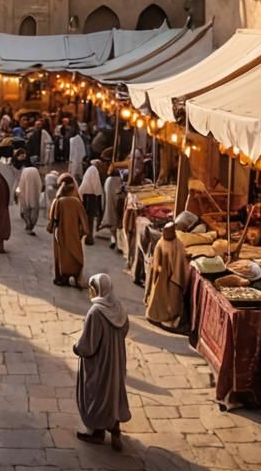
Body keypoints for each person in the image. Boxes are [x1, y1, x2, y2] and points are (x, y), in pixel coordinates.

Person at [73, 273, 131, 451]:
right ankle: (115, 431)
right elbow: (125, 329)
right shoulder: (119, 307)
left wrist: (77, 348)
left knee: (97, 394)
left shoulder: (96, 312)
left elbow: (88, 346)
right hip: (117, 360)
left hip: (99, 363)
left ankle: (97, 433)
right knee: (113, 391)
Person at [145, 222, 189, 328]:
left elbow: (181, 266)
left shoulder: (179, 245)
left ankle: (167, 319)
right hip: (163, 279)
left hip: (172, 280)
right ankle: (164, 318)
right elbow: (155, 265)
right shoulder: (162, 244)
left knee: (169, 301)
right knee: (161, 299)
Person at [48, 175, 89, 288]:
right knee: (76, 254)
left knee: (61, 255)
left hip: (60, 233)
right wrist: (84, 232)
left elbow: (53, 217)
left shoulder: (58, 201)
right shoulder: (77, 202)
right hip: (74, 234)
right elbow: (84, 220)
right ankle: (76, 277)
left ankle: (62, 278)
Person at [79, 159, 105, 247]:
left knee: (86, 216)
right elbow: (96, 185)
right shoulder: (94, 170)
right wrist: (100, 195)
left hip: (86, 193)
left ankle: (84, 234)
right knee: (90, 216)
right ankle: (88, 237)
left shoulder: (90, 169)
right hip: (90, 195)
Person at [15, 161, 43, 235]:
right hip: (35, 195)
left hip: (24, 195)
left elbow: (21, 184)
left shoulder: (24, 171)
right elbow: (39, 184)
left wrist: (17, 193)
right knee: (34, 211)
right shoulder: (35, 171)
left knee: (25, 210)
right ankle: (31, 226)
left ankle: (28, 224)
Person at [102, 164, 124, 249]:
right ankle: (118, 242)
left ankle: (114, 240)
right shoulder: (117, 180)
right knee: (117, 221)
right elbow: (119, 194)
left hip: (110, 204)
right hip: (117, 203)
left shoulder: (108, 180)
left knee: (112, 220)